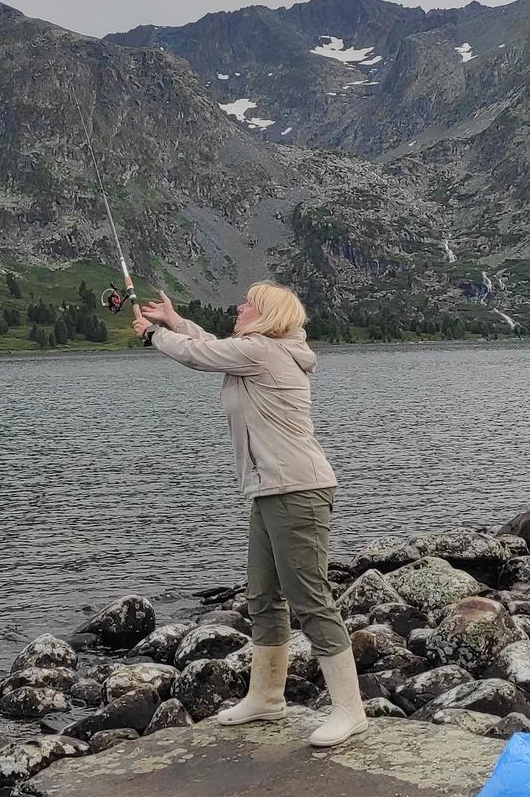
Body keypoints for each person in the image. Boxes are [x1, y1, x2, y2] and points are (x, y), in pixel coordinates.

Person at [132, 282, 367, 748]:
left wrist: (151, 334)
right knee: (262, 596)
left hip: (298, 489)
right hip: (271, 489)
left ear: (267, 316)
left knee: (309, 597)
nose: (238, 307)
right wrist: (174, 321)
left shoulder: (262, 352)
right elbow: (213, 347)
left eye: (247, 303)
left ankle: (350, 710)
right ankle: (266, 697)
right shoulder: (258, 351)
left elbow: (199, 356)